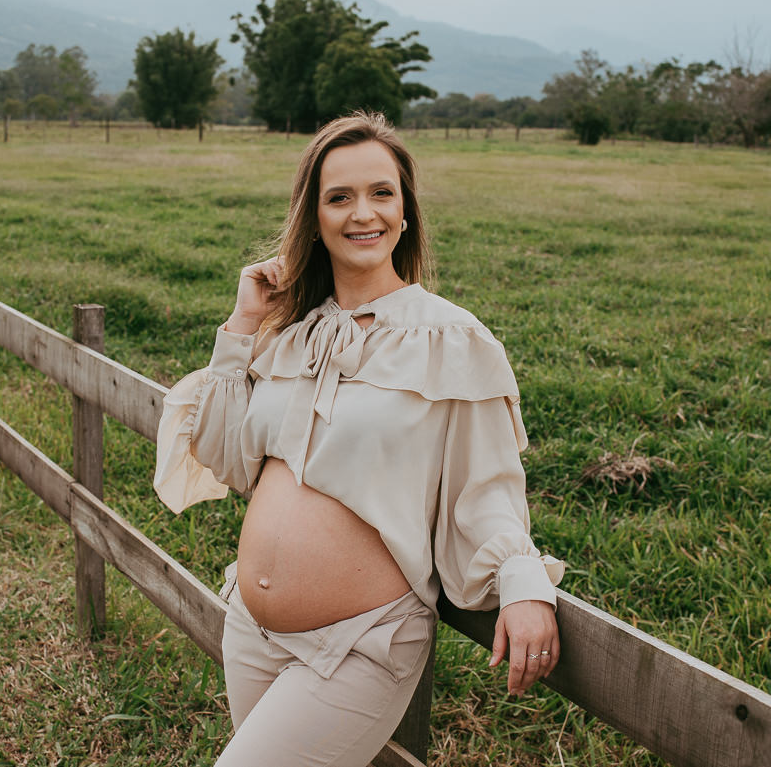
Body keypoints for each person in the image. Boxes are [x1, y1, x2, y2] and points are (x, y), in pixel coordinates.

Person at [153, 111, 564, 767]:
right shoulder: (292, 330)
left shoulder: (453, 340)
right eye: (338, 197)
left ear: (405, 211)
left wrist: (522, 579)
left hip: (362, 642)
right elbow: (231, 459)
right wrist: (241, 324)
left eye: (381, 193)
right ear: (313, 217)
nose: (361, 213)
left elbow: (486, 489)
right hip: (251, 628)